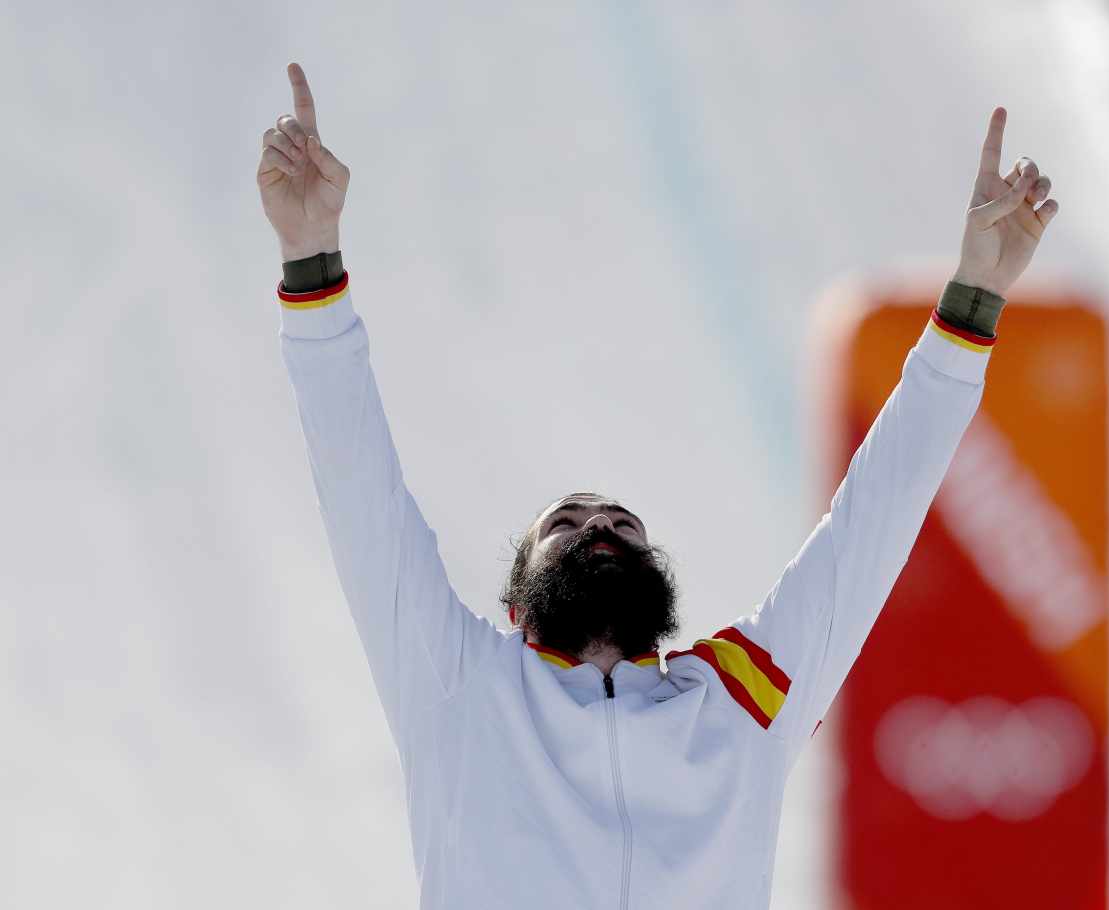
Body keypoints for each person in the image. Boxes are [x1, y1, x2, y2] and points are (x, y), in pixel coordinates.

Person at [257, 61, 1057, 910]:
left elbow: (874, 522)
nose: (599, 524)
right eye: (566, 524)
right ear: (516, 606)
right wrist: (309, 258)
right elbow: (360, 494)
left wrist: (975, 298)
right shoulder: (458, 685)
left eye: (620, 523)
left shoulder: (740, 703)